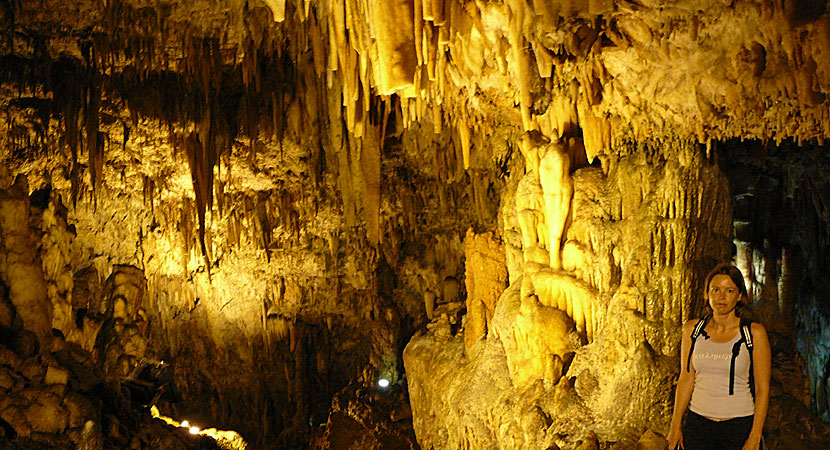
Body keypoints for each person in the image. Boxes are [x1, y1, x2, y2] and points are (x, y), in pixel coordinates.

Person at [667, 263, 771, 450]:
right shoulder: (692, 330)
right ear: (707, 294)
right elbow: (686, 378)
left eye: (729, 290)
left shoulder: (753, 333)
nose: (721, 297)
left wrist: (755, 435)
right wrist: (675, 425)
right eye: (716, 290)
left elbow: (763, 387)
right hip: (699, 425)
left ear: (739, 296)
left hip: (738, 425)